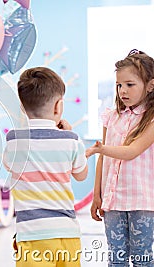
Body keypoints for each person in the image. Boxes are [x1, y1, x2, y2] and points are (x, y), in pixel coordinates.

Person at [3, 67, 88, 267]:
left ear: (22, 108)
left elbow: (10, 166)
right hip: (67, 233)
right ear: (58, 106)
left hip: (31, 234)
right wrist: (68, 134)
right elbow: (82, 175)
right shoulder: (71, 141)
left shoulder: (14, 142)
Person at [86, 49, 154, 266]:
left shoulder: (151, 119)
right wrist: (97, 195)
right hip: (113, 202)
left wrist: (100, 149)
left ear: (150, 85)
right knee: (116, 257)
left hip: (142, 201)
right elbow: (103, 160)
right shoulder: (112, 116)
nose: (122, 90)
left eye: (129, 84)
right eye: (119, 85)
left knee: (142, 256)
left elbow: (132, 151)